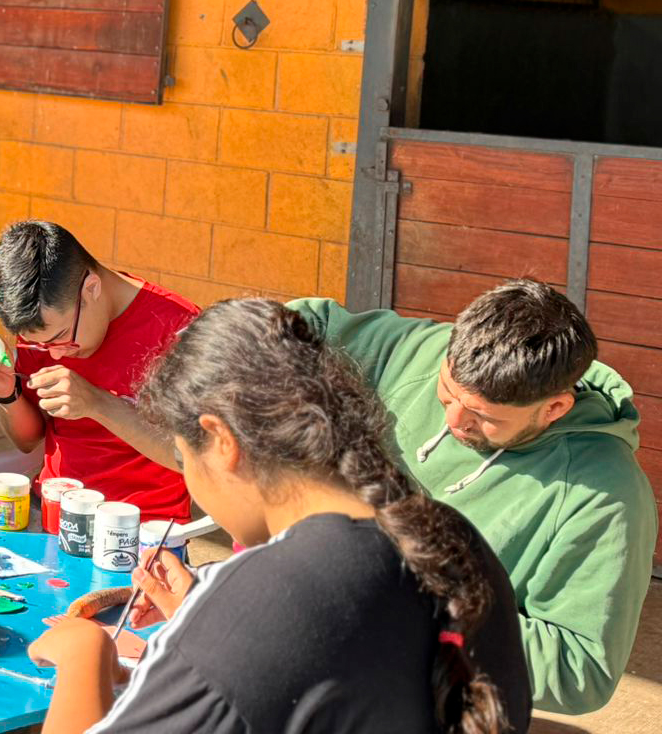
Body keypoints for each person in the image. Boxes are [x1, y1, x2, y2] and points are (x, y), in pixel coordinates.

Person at [31, 298, 532, 734]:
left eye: (184, 457)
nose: (190, 480)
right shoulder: (450, 535)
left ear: (222, 441)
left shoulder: (264, 599)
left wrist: (84, 655)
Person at [289, 280, 657, 715]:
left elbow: (580, 670)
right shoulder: (429, 353)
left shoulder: (606, 498)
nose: (453, 420)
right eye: (446, 392)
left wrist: (409, 610)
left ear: (555, 408)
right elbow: (303, 323)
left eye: (483, 416)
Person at [0, 222, 196, 520]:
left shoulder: (180, 330)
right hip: (51, 509)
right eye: (40, 345)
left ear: (92, 288)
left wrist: (96, 403)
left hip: (141, 525)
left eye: (62, 337)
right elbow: (28, 441)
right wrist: (7, 394)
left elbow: (193, 458)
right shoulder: (45, 327)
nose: (55, 354)